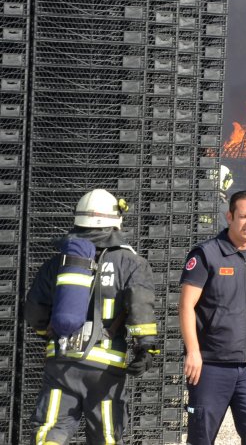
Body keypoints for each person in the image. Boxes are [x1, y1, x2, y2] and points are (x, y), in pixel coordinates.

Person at [23, 188, 159, 444]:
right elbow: (141, 307)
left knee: (50, 428)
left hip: (61, 362)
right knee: (107, 433)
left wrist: (47, 334)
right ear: (116, 220)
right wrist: (146, 349)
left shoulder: (58, 262)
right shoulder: (131, 263)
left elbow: (34, 310)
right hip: (105, 368)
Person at [179, 190, 246, 445]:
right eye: (244, 216)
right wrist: (193, 352)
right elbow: (185, 306)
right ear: (229, 216)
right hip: (212, 365)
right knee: (202, 437)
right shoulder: (205, 255)